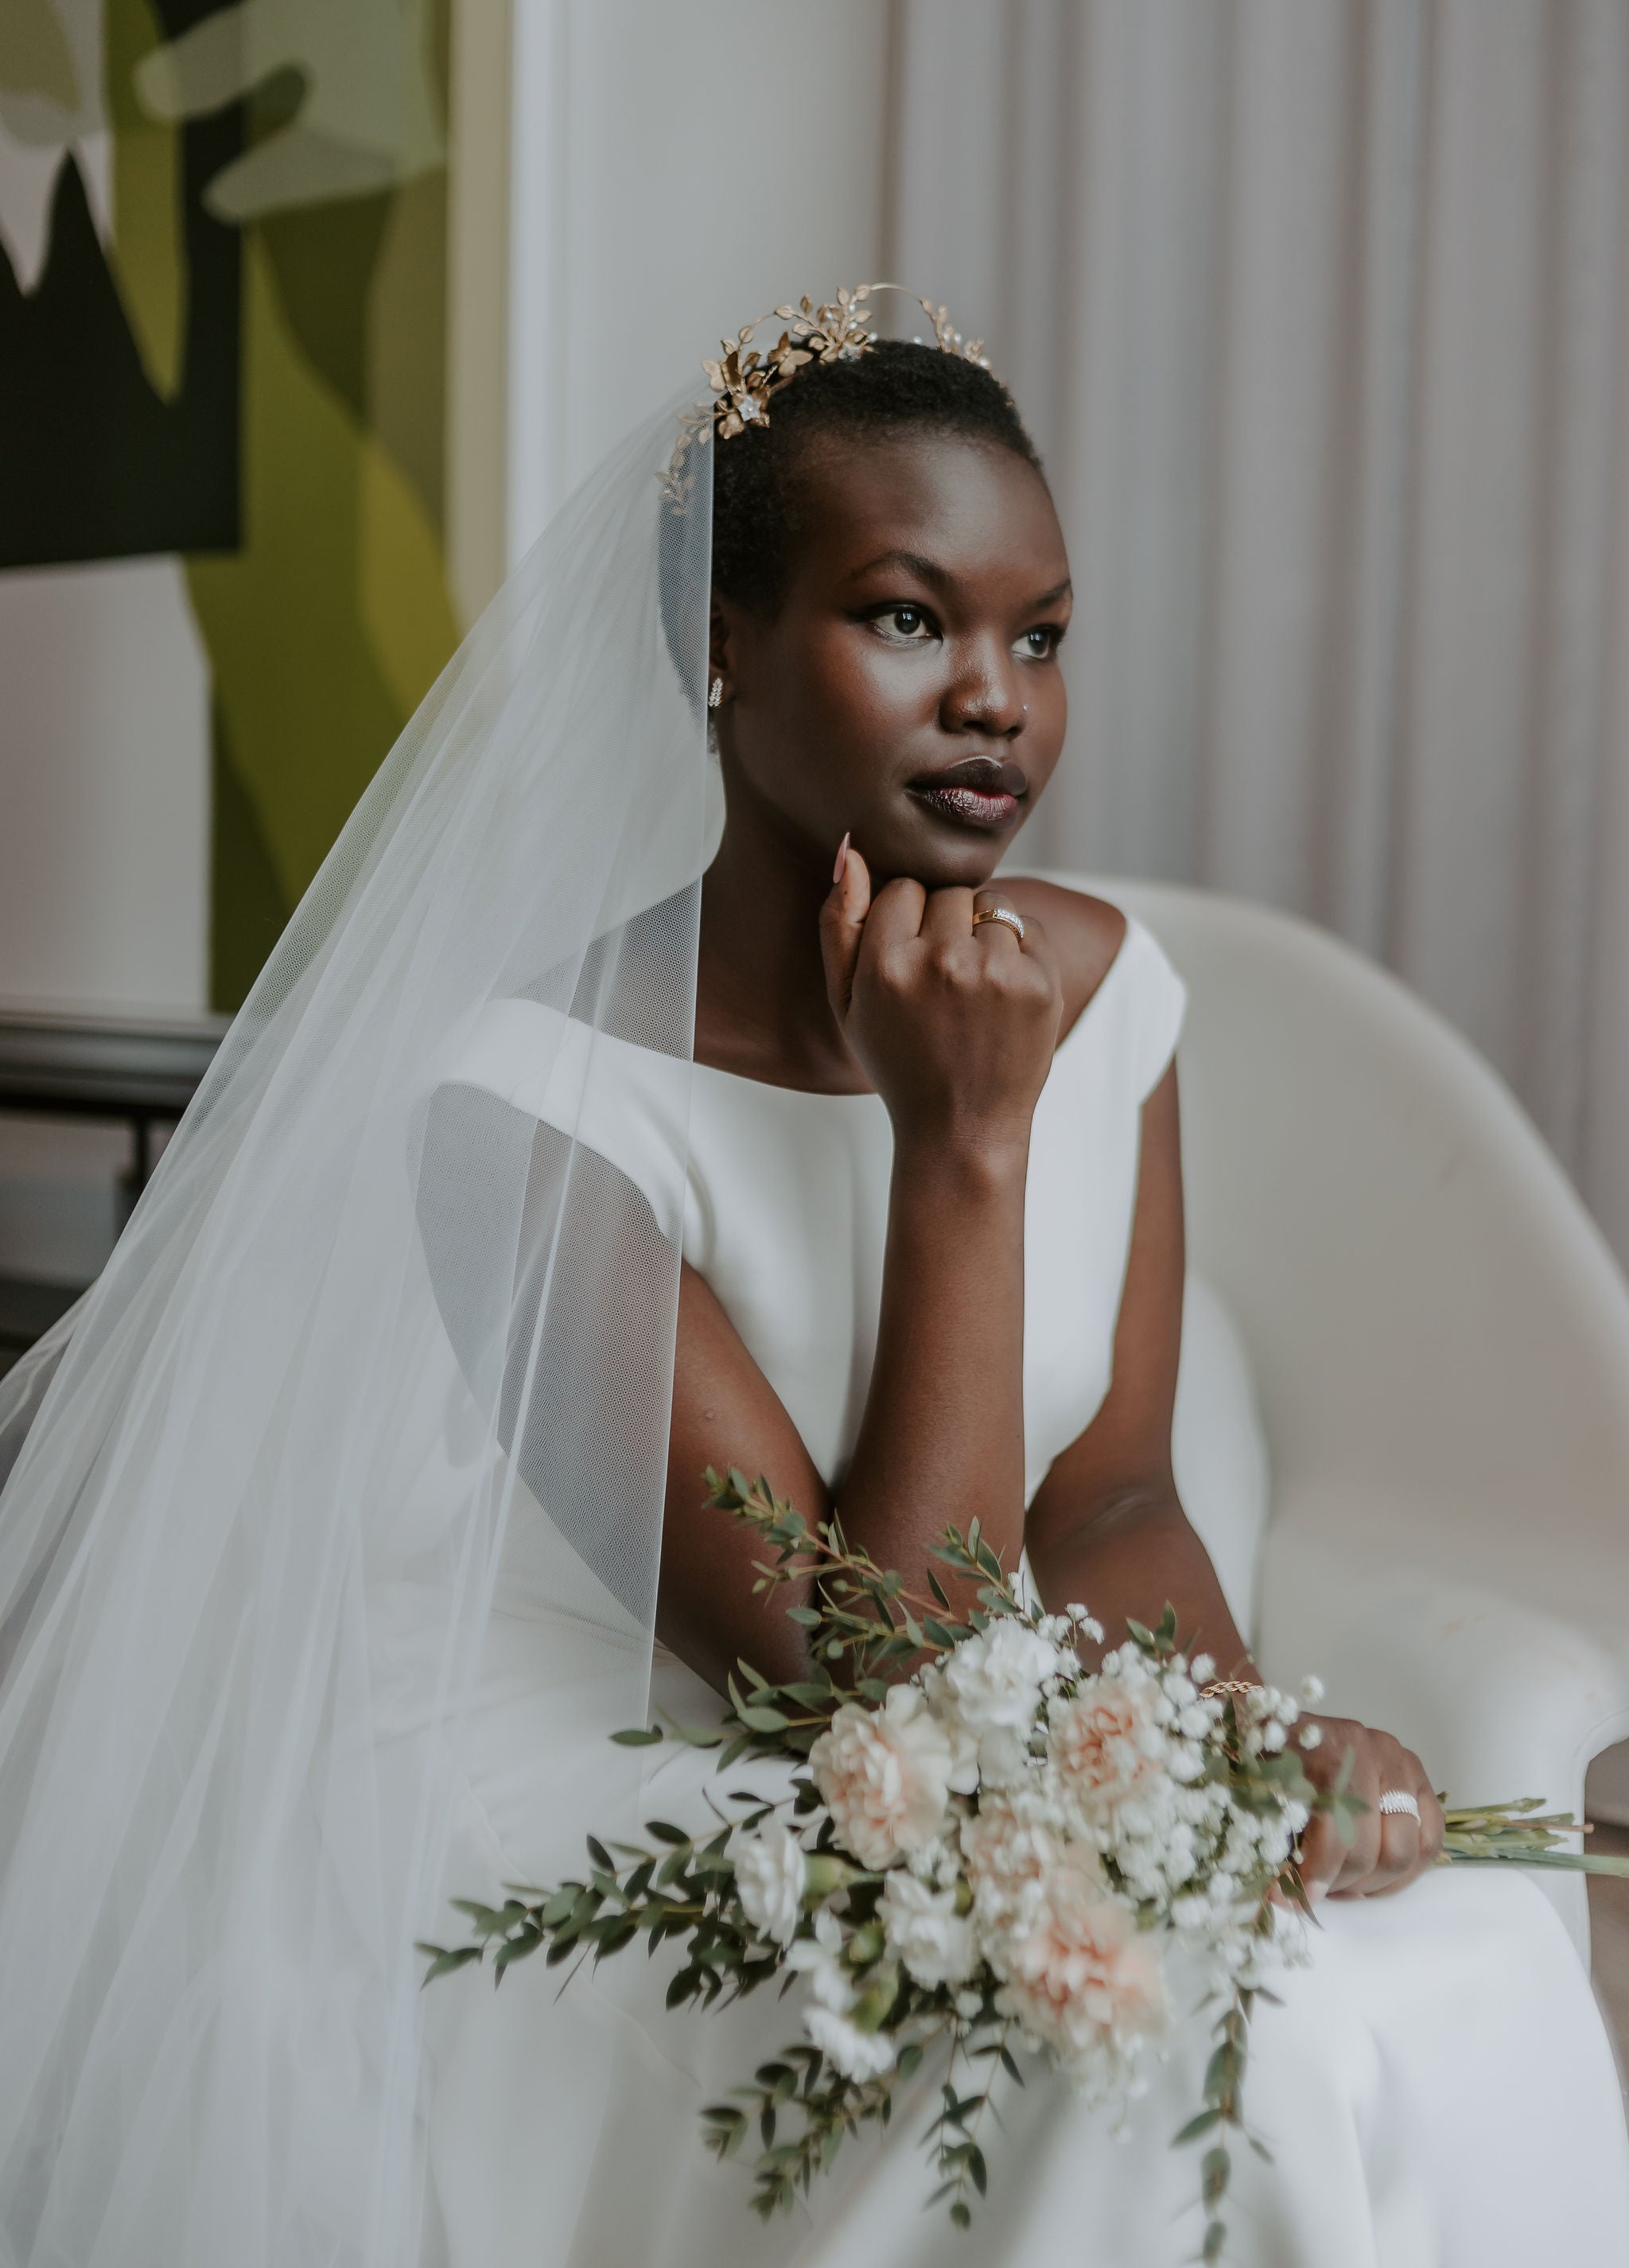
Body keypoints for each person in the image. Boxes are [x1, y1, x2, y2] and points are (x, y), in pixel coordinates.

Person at [0, 291, 1625, 2268]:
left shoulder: (1105, 993)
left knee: (1467, 1946)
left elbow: (1105, 1500)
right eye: (906, 616)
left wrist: (1229, 1751)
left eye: (1040, 635)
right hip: (660, 1768)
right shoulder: (521, 1113)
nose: (996, 700)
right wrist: (964, 1152)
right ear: (719, 649)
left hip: (983, 1727)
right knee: (1180, 2052)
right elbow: (849, 1687)